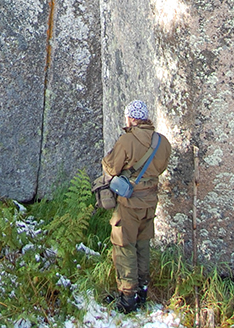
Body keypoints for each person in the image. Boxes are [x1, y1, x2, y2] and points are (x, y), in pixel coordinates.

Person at [102, 99, 171, 314]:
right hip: (150, 202)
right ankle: (142, 291)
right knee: (143, 246)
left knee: (124, 245)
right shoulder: (162, 142)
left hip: (129, 203)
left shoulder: (127, 140)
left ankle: (127, 297)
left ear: (131, 118)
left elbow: (112, 167)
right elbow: (161, 168)